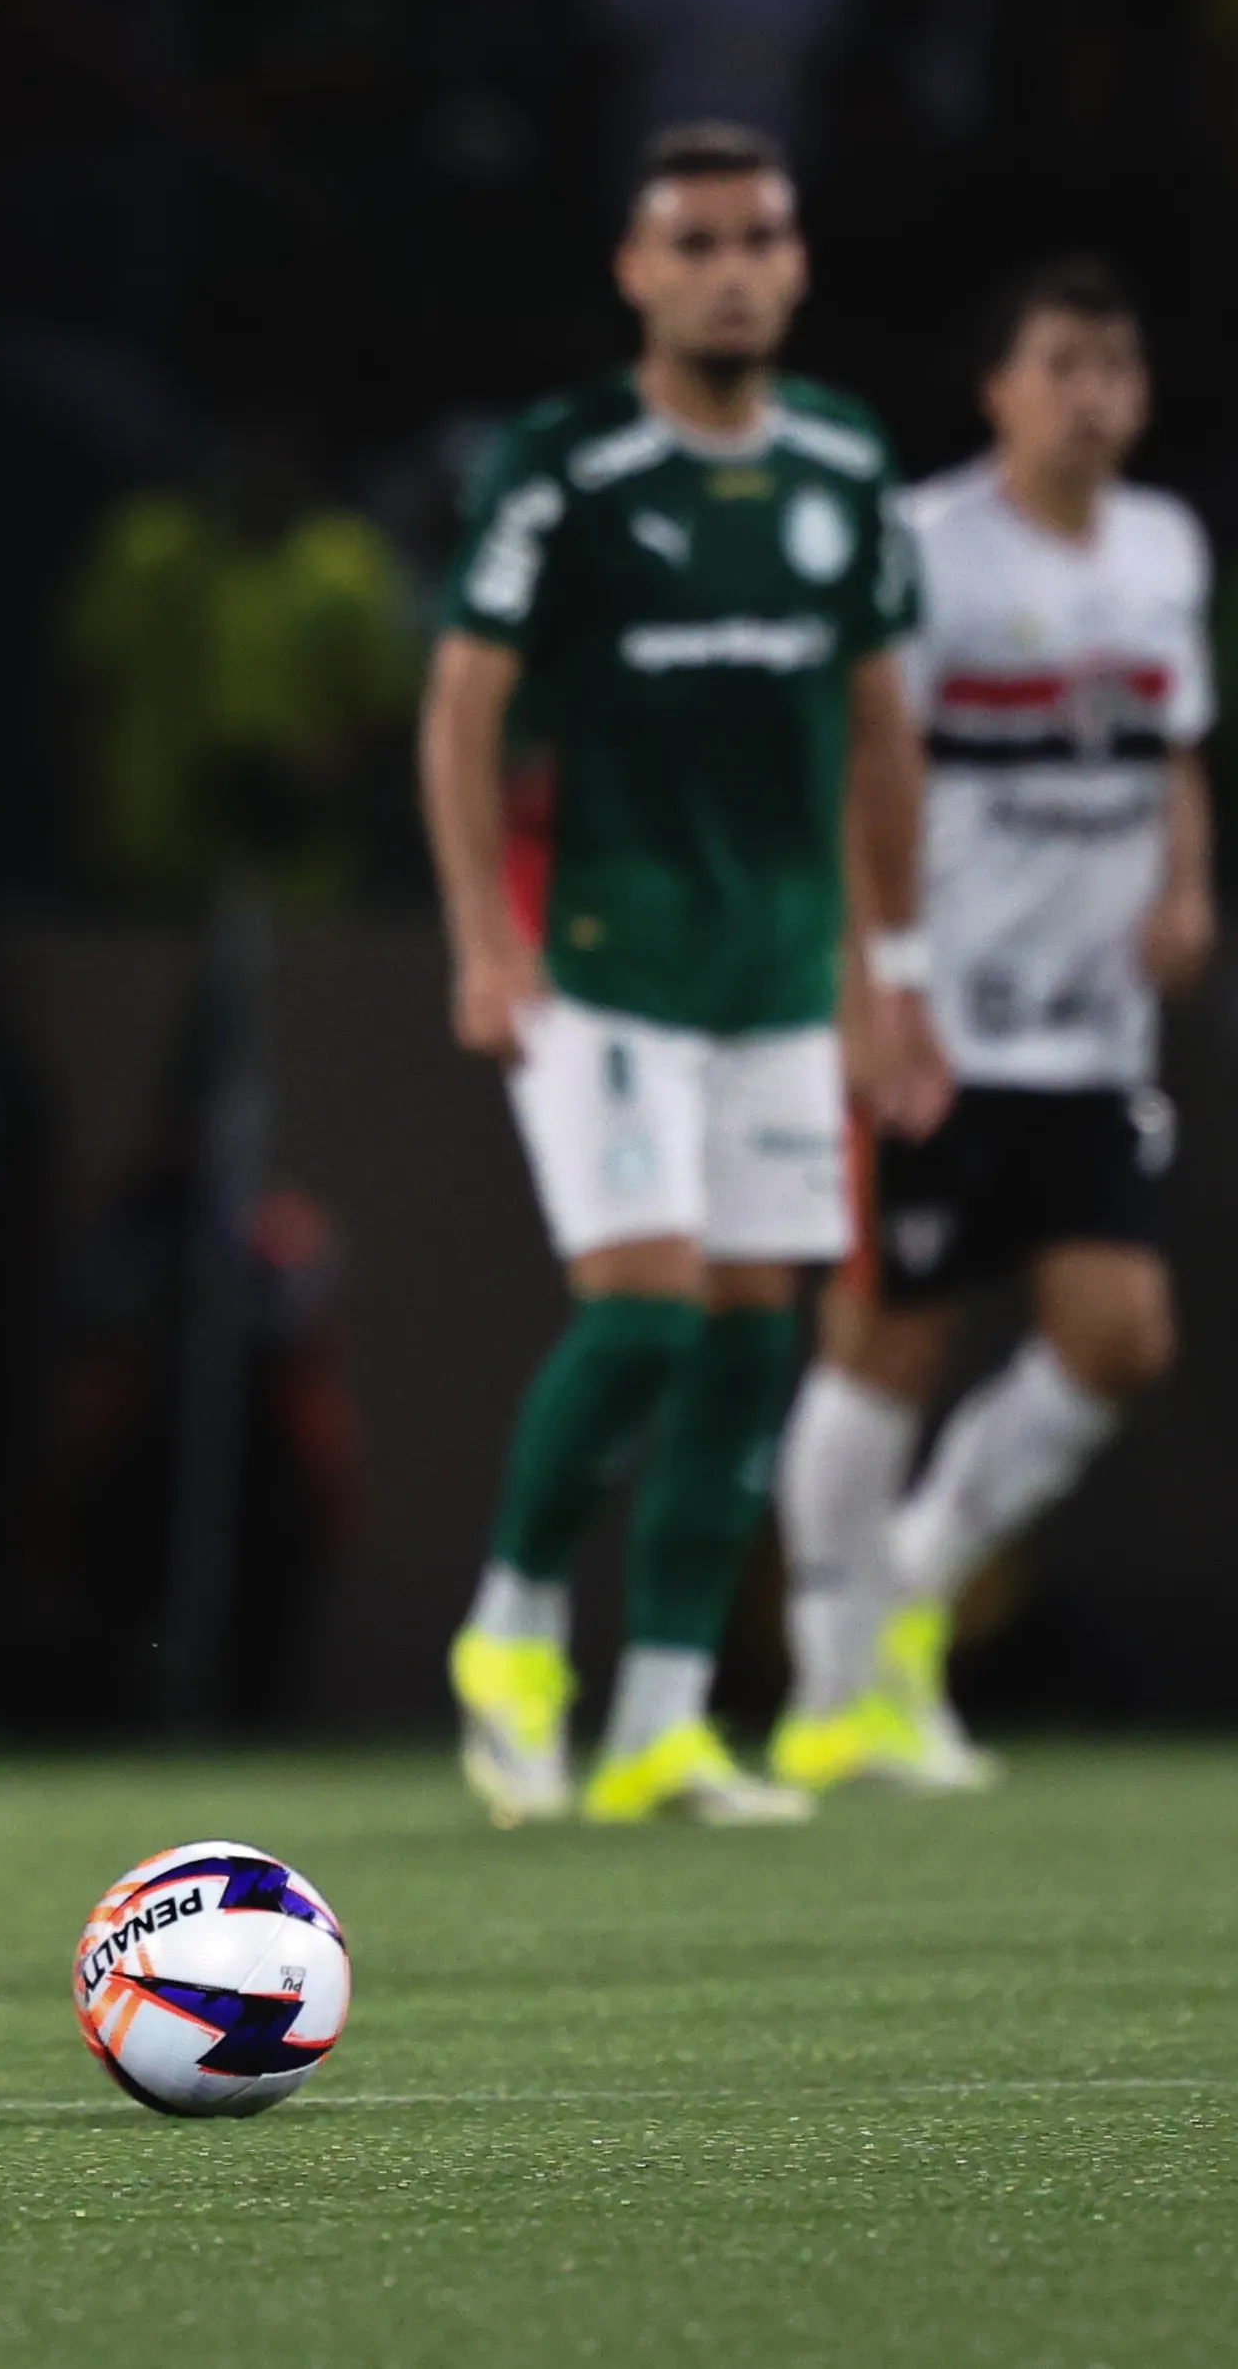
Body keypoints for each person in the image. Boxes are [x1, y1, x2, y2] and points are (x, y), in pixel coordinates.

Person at [426, 121, 947, 1829]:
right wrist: (484, 941)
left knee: (750, 1339)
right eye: (697, 243)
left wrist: (896, 971)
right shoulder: (570, 463)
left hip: (786, 975)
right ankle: (511, 1633)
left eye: (760, 240)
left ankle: (659, 1719)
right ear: (637, 272)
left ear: (796, 265)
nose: (732, 270)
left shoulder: (847, 464)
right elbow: (463, 709)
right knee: (644, 1308)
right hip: (606, 960)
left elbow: (878, 731)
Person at [775, 263, 1214, 1792]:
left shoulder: (1167, 546)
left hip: (1095, 1035)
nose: (1093, 390)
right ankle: (838, 1684)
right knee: (890, 1337)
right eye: (1064, 362)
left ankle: (913, 1583)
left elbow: (1174, 744)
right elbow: (857, 776)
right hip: (945, 1020)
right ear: (999, 389)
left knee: (1120, 1338)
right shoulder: (929, 548)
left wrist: (1188, 885)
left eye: (1117, 363)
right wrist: (867, 989)